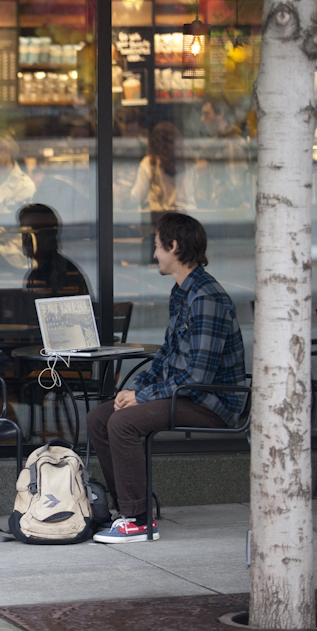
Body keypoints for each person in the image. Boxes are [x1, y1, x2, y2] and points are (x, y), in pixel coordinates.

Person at [86, 213, 246, 543]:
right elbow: (166, 357)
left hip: (212, 401)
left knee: (123, 423)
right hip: (186, 394)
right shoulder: (182, 292)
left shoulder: (207, 298)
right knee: (100, 417)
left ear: (174, 247)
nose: (154, 254)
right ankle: (127, 510)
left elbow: (198, 376)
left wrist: (143, 399)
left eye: (158, 246)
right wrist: (134, 390)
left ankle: (138, 520)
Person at [19, 204, 90, 298]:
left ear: (51, 235)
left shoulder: (62, 273)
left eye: (36, 233)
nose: (27, 240)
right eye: (24, 233)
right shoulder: (36, 273)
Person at [130, 122, 196, 218]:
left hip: (157, 219)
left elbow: (137, 197)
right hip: (186, 218)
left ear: (153, 143)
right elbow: (193, 194)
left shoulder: (149, 163)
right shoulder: (187, 163)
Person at [194, 98, 250, 209]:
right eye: (202, 114)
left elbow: (237, 190)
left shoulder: (232, 144)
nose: (202, 119)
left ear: (220, 115)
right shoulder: (214, 145)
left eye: (206, 114)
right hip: (217, 212)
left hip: (228, 214)